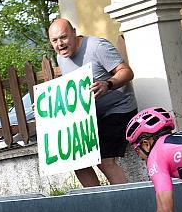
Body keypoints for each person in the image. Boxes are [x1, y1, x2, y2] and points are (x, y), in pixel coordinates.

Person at [47, 18, 137, 187]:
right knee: (77, 162)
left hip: (118, 109)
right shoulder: (61, 58)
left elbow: (127, 72)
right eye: (55, 40)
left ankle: (127, 203)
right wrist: (46, 104)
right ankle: (99, 201)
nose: (60, 44)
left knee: (104, 161)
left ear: (74, 32)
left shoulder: (97, 47)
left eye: (64, 37)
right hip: (90, 115)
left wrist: (108, 84)